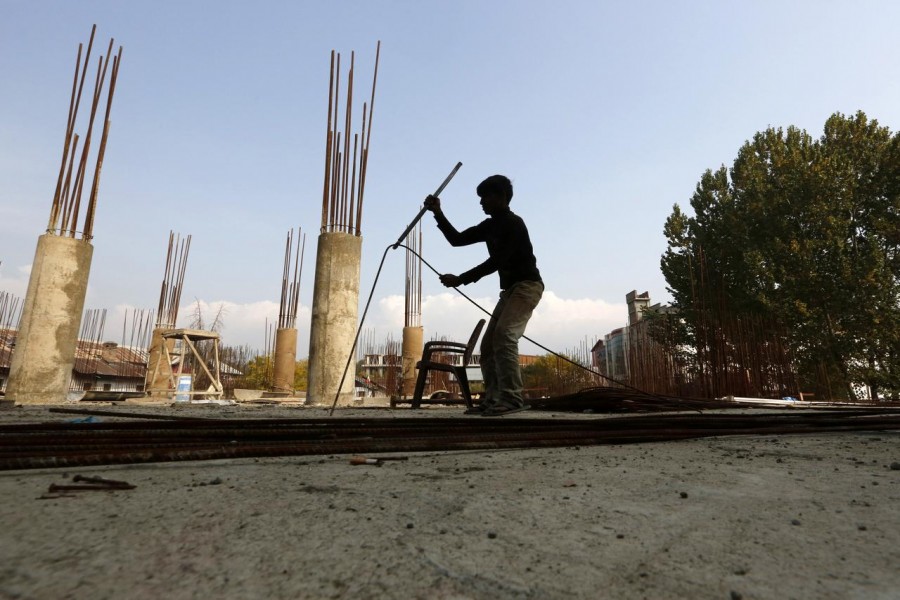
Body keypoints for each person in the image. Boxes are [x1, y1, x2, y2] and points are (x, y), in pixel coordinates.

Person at [423, 174, 543, 416]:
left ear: (501, 197)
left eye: (485, 197)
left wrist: (461, 279)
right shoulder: (489, 226)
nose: (481, 203)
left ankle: (512, 398)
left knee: (506, 335)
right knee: (487, 347)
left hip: (527, 287)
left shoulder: (513, 223)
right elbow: (457, 240)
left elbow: (497, 261)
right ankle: (494, 397)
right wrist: (437, 213)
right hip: (509, 291)